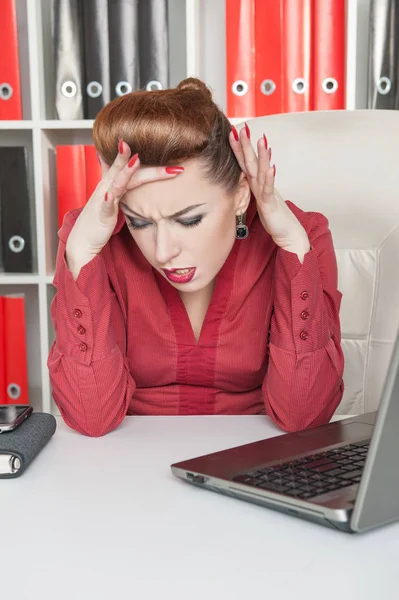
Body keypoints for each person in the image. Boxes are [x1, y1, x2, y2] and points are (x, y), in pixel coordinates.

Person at [48, 77, 344, 437]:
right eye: (140, 222)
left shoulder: (302, 237)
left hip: (253, 460)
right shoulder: (92, 238)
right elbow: (92, 419)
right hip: (126, 461)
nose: (163, 251)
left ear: (240, 195)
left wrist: (293, 247)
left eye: (189, 219)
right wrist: (81, 255)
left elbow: (303, 418)